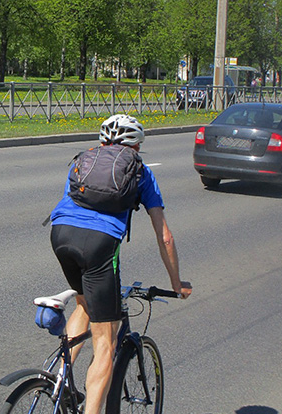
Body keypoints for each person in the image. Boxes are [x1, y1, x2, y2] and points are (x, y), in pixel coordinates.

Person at [48, 114, 192, 414]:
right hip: (99, 246)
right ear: (137, 147)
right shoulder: (141, 173)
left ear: (101, 141)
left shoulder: (82, 162)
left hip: (60, 234)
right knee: (106, 344)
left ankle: (59, 379)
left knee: (85, 304)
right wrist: (176, 284)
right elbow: (164, 237)